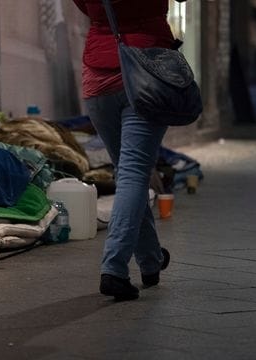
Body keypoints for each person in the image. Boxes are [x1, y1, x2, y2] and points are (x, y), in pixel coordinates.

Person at [72, 0, 181, 301]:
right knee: (134, 171)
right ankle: (114, 269)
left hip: (98, 79)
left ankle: (151, 261)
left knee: (128, 170)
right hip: (146, 71)